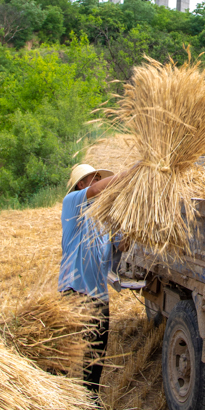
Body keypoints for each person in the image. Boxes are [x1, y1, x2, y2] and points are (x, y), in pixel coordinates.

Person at [59, 162, 134, 395]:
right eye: (94, 178)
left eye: (99, 178)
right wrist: (130, 174)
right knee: (64, 351)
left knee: (96, 355)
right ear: (81, 184)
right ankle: (56, 399)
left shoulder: (105, 218)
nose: (98, 182)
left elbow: (120, 244)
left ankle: (91, 402)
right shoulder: (72, 205)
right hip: (74, 290)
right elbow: (95, 191)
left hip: (99, 296)